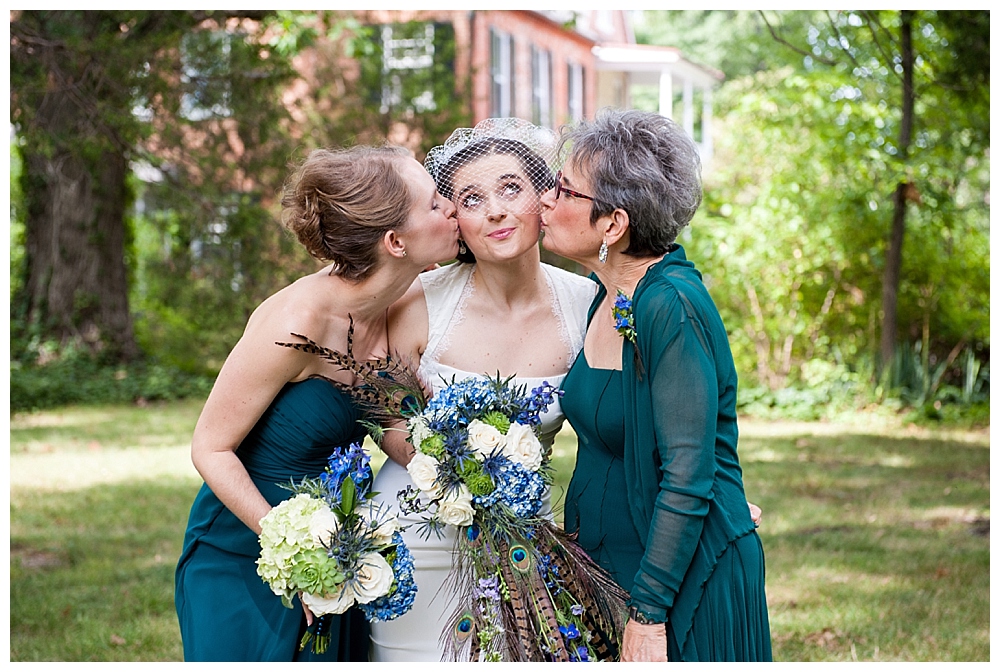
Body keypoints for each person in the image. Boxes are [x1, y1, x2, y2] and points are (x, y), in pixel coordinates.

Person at [174, 145, 460, 661]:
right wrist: (295, 551)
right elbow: (210, 448)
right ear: (395, 241)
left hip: (341, 546)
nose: (454, 209)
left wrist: (464, 463)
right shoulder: (297, 324)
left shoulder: (400, 304)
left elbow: (392, 429)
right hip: (247, 547)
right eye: (437, 203)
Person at [539, 109, 773, 662]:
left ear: (613, 225)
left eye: (564, 190)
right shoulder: (605, 295)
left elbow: (689, 472)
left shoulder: (671, 307)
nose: (546, 200)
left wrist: (647, 616)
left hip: (679, 590)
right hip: (610, 573)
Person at [367, 118, 599, 661]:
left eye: (510, 189)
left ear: (544, 199)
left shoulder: (585, 304)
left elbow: (623, 421)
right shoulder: (421, 299)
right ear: (456, 222)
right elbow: (388, 419)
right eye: (472, 199)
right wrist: (454, 473)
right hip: (411, 536)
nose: (494, 210)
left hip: (521, 544)